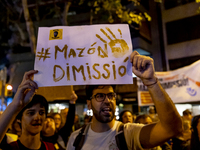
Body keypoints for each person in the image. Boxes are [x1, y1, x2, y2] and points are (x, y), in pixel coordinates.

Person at [66, 51, 182, 150]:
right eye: (100, 96)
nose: (107, 100)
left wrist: (151, 82)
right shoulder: (75, 139)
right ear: (89, 104)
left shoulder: (128, 133)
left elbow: (172, 129)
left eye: (111, 95)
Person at [0, 70, 55, 150]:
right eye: (31, 113)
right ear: (19, 119)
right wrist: (15, 105)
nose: (37, 117)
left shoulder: (50, 148)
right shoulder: (10, 148)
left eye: (41, 112)